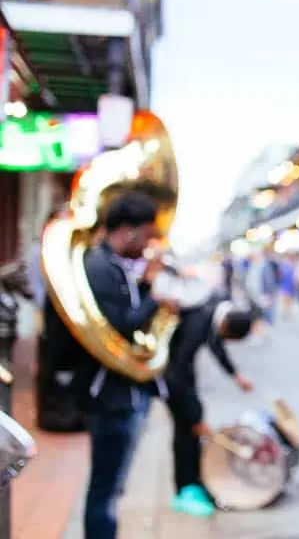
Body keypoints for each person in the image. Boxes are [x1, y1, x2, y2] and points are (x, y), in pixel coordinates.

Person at [70, 191, 173, 539]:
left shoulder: (111, 266)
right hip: (111, 395)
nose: (147, 244)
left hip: (122, 392)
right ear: (128, 230)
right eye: (145, 236)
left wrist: (144, 283)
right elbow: (121, 324)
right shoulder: (101, 268)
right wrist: (155, 296)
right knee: (106, 490)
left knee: (111, 487)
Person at [164, 298, 255, 517]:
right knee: (186, 432)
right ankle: (186, 489)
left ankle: (191, 483)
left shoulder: (211, 314)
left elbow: (216, 345)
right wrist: (195, 416)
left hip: (179, 379)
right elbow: (178, 371)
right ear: (225, 326)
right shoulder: (197, 324)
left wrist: (235, 375)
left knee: (189, 432)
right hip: (173, 380)